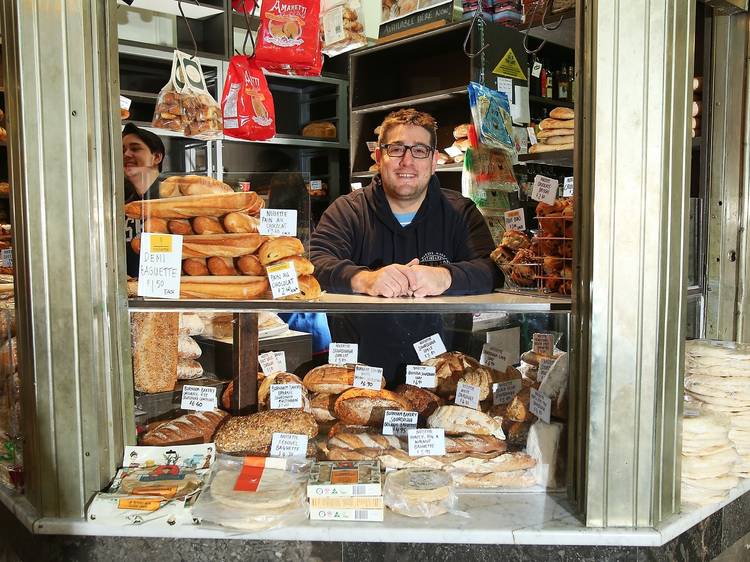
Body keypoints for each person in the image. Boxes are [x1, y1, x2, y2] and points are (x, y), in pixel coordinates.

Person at [310, 108, 500, 383]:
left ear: (434, 161)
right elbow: (315, 263)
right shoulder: (347, 211)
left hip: (442, 375)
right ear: (379, 157)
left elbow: (491, 269)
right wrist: (364, 279)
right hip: (358, 377)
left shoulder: (461, 212)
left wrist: (445, 276)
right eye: (397, 149)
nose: (407, 162)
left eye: (420, 150)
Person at [122, 123, 165, 277]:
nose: (126, 154)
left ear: (157, 157)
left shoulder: (171, 200)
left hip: (164, 295)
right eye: (123, 150)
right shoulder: (123, 202)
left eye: (135, 148)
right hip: (129, 295)